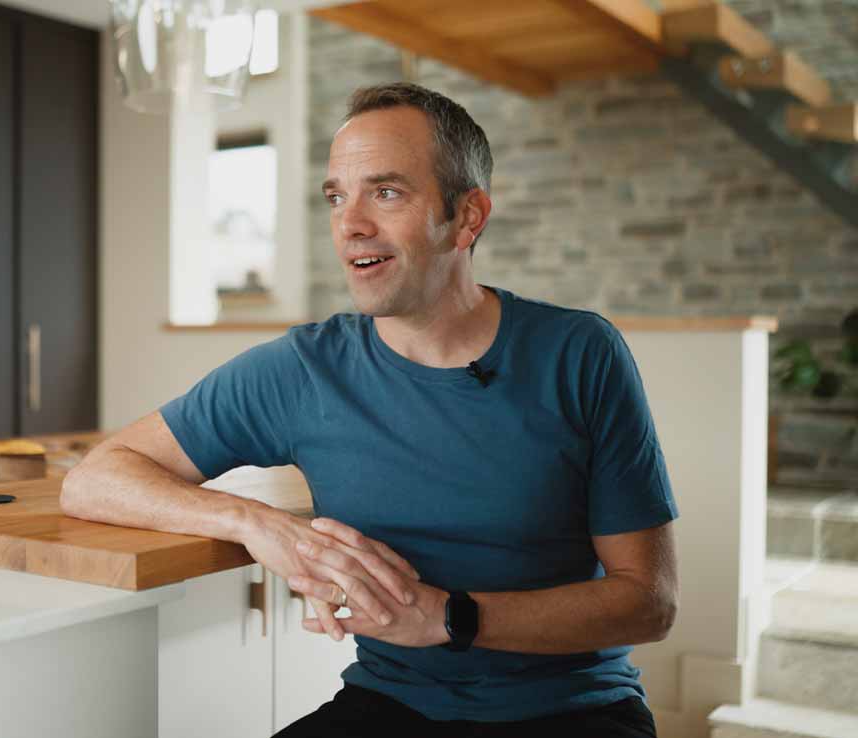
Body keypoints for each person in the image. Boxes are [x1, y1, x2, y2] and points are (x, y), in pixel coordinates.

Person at [60, 82, 678, 738]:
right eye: (336, 196)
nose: (350, 224)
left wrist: (446, 616)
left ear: (467, 218)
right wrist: (255, 523)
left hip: (574, 711)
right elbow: (96, 477)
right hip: (392, 706)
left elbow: (648, 602)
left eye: (385, 192)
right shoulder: (303, 369)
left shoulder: (578, 354)